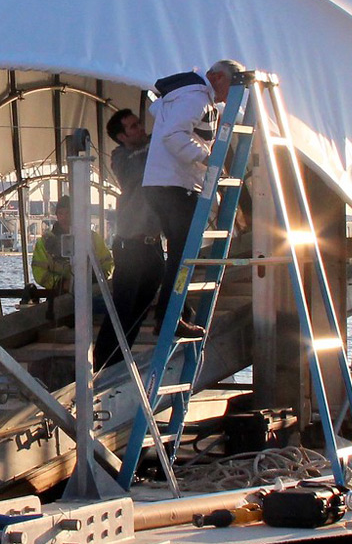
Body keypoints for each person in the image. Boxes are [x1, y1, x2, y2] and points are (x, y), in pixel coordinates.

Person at [144, 60, 240, 329]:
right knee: (183, 252)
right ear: (217, 78)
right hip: (175, 185)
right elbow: (174, 136)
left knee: (180, 250)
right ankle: (170, 316)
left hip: (166, 183)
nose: (229, 97)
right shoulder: (195, 99)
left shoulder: (187, 97)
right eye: (231, 87)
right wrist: (207, 159)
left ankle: (175, 312)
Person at [98, 108, 165, 366]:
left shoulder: (154, 146)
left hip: (153, 245)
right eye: (133, 127)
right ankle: (104, 361)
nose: (141, 129)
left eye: (139, 124)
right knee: (123, 307)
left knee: (141, 307)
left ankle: (120, 357)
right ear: (122, 137)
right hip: (130, 245)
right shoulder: (121, 158)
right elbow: (137, 171)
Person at [31, 198, 112, 297]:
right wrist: (61, 283)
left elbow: (107, 263)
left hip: (90, 294)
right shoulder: (44, 242)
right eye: (61, 213)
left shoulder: (93, 238)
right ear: (57, 215)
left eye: (68, 213)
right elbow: (39, 272)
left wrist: (93, 279)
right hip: (58, 295)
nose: (64, 217)